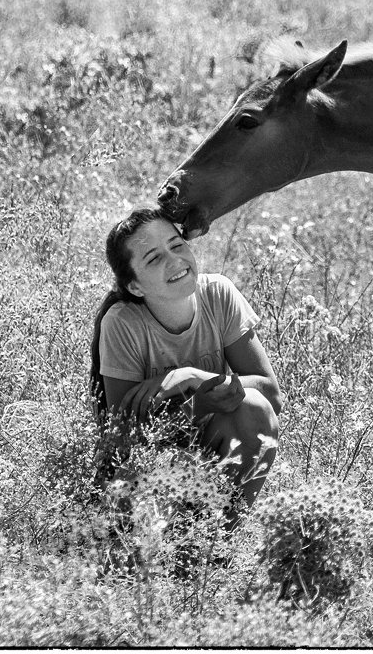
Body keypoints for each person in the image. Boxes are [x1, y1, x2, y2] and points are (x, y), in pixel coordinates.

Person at [88, 207, 281, 523]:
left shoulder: (218, 293)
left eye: (176, 245)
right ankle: (172, 545)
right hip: (152, 462)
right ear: (135, 286)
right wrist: (197, 403)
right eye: (153, 258)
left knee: (254, 408)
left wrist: (190, 377)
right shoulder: (122, 323)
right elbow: (121, 436)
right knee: (138, 503)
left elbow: (271, 393)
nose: (174, 260)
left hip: (214, 444)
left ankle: (220, 545)